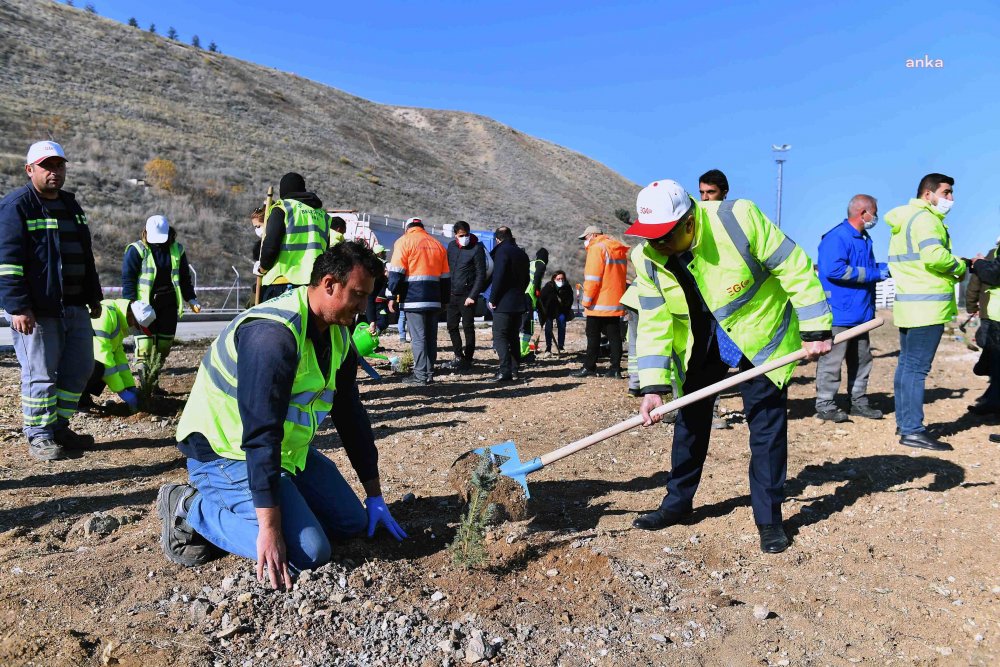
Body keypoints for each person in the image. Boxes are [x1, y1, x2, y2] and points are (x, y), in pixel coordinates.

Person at [159, 243, 407, 583]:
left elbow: (350, 414)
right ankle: (189, 508)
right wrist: (270, 528)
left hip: (286, 454)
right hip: (225, 454)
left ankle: (285, 506)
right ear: (329, 284)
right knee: (307, 553)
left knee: (352, 524)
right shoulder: (271, 336)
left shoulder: (337, 332)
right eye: (358, 295)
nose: (363, 308)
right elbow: (261, 433)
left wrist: (374, 494)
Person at [627, 179, 832, 554]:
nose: (657, 246)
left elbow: (794, 266)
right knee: (689, 419)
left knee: (765, 425)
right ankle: (676, 504)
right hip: (699, 341)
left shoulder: (738, 218)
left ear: (689, 221)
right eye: (650, 238)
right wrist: (652, 387)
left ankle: (769, 520)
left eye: (664, 237)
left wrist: (816, 326)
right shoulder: (646, 258)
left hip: (759, 332)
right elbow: (655, 323)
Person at [0, 141, 103, 461]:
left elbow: (84, 256)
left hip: (73, 306)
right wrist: (17, 305)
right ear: (30, 170)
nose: (54, 171)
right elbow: (7, 262)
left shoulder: (71, 206)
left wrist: (93, 296)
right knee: (40, 374)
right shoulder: (17, 205)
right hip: (37, 310)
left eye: (58, 165)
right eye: (46, 166)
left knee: (80, 369)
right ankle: (40, 435)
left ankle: (58, 426)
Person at [886, 173, 964, 451]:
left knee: (907, 367)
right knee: (916, 369)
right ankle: (912, 430)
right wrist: (960, 266)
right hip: (928, 307)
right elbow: (935, 256)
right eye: (946, 192)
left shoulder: (904, 219)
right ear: (928, 194)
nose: (951, 199)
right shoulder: (926, 220)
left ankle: (905, 422)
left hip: (910, 305)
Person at [815, 194, 889, 422]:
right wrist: (876, 274)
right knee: (832, 361)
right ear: (863, 213)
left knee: (862, 360)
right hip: (840, 313)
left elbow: (863, 267)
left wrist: (888, 267)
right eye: (874, 212)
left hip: (862, 313)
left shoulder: (863, 238)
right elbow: (834, 270)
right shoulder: (837, 238)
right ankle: (825, 404)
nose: (875, 217)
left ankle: (858, 401)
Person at [122, 215, 200, 367]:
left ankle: (154, 380)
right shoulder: (136, 250)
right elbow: (128, 279)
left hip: (168, 305)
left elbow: (184, 277)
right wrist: (130, 304)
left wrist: (191, 298)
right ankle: (144, 385)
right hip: (143, 307)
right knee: (144, 347)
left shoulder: (177, 250)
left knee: (163, 347)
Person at [387, 217, 450, 385]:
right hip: (434, 298)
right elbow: (445, 278)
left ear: (408, 228)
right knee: (430, 338)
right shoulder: (437, 244)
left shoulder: (404, 241)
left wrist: (391, 295)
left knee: (418, 338)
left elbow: (396, 273)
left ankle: (420, 375)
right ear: (422, 227)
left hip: (413, 298)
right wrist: (444, 300)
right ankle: (428, 373)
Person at [256, 172, 333, 303]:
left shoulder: (283, 208)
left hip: (283, 282)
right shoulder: (323, 216)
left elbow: (271, 246)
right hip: (314, 286)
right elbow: (326, 250)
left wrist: (262, 267)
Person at [698, 169, 736, 430]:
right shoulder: (696, 222)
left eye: (710, 193)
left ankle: (710, 411)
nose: (705, 198)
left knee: (722, 361)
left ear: (724, 192)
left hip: (731, 303)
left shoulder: (738, 222)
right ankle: (682, 406)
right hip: (702, 303)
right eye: (701, 192)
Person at [573, 225, 629, 377]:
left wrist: (586, 301)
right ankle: (615, 369)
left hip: (598, 303)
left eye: (585, 238)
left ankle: (589, 367)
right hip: (615, 301)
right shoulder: (617, 249)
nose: (585, 241)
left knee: (592, 336)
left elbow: (592, 279)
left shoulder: (597, 249)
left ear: (592, 235)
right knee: (615, 336)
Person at [84, 299, 157, 413]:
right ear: (130, 315)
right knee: (100, 367)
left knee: (108, 368)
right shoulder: (105, 315)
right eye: (137, 326)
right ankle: (77, 400)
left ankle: (83, 398)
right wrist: (121, 391)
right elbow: (103, 356)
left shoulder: (117, 319)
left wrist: (129, 387)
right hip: (68, 360)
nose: (134, 329)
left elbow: (119, 358)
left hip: (82, 357)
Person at [488, 226, 530, 382]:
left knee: (500, 336)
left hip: (503, 303)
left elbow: (498, 277)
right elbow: (527, 279)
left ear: (498, 239)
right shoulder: (521, 253)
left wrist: (493, 298)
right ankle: (514, 370)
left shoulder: (501, 252)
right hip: (518, 301)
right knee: (513, 337)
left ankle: (504, 370)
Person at [445, 221, 487, 371]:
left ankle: (468, 359)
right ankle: (458, 356)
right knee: (451, 326)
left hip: (467, 296)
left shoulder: (477, 248)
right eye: (461, 235)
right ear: (455, 235)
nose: (465, 237)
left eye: (467, 234)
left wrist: (473, 295)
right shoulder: (451, 247)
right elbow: (447, 268)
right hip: (452, 294)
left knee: (468, 327)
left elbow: (481, 274)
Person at [965, 238, 1000, 414]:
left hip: (992, 315)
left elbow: (978, 282)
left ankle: (992, 401)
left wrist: (978, 263)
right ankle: (991, 399)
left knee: (994, 358)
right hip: (992, 314)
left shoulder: (990, 256)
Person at [520, 248, 548, 360]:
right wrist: (537, 291)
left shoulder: (531, 263)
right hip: (529, 297)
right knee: (527, 326)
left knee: (522, 325)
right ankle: (523, 353)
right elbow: (536, 278)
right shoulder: (541, 264)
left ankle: (521, 351)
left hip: (523, 295)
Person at [539, 270, 574, 355]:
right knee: (548, 327)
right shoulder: (548, 286)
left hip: (561, 310)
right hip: (549, 311)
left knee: (562, 323)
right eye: (558, 278)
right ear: (554, 278)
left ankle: (561, 346)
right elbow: (541, 298)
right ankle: (548, 348)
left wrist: (565, 308)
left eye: (562, 278)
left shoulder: (567, 287)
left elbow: (570, 300)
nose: (560, 280)